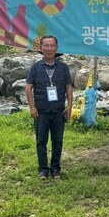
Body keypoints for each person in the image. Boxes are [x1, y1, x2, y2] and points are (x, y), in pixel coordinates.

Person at [25, 35, 73, 180]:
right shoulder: (35, 67)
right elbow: (28, 88)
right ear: (41, 48)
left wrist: (70, 106)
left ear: (56, 48)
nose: (49, 48)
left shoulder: (63, 68)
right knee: (41, 141)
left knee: (58, 140)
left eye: (52, 45)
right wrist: (32, 108)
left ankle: (56, 168)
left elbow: (69, 88)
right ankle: (43, 169)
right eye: (46, 45)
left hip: (58, 111)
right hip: (41, 111)